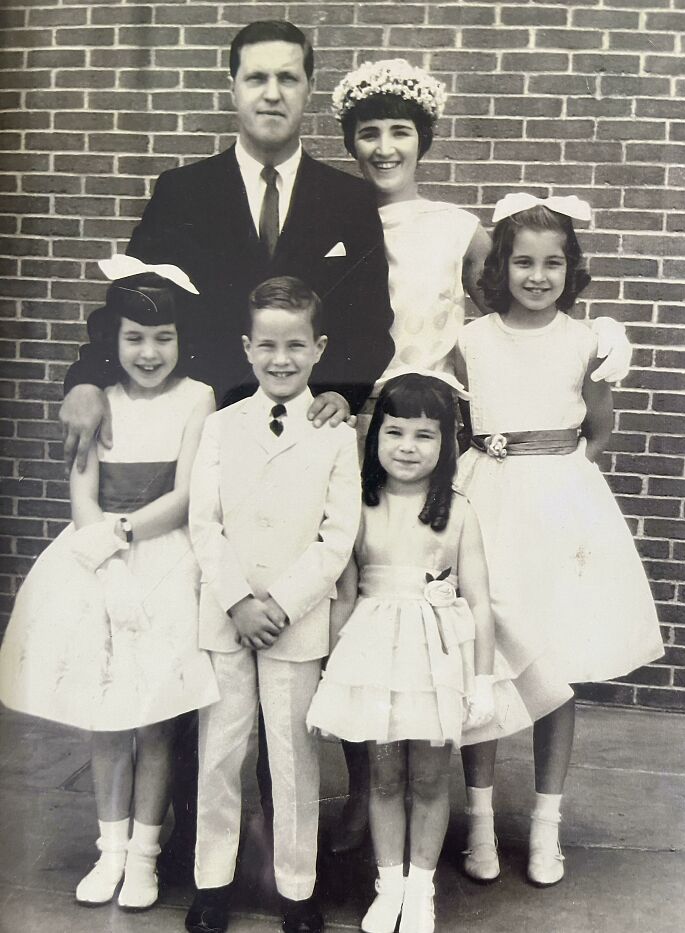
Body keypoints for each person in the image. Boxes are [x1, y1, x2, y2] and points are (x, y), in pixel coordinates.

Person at [59, 19, 393, 882]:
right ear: (233, 88)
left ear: (309, 89)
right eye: (256, 78)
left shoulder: (347, 200)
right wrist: (90, 375)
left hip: (303, 442)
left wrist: (344, 391)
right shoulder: (184, 190)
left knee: (298, 650)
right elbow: (131, 300)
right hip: (204, 437)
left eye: (288, 78)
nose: (272, 93)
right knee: (194, 634)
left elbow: (371, 322)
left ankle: (302, 836)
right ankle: (171, 833)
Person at [327, 56, 635, 854]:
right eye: (370, 133)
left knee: (448, 618)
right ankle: (366, 791)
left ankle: (457, 801)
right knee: (368, 608)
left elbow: (517, 300)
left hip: (436, 431)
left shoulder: (457, 227)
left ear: (423, 140)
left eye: (401, 131)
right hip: (357, 425)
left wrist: (600, 333)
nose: (386, 147)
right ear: (351, 142)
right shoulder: (331, 216)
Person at [306, 372, 570, 933]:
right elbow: (345, 595)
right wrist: (331, 668)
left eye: (424, 435)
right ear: (375, 437)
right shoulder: (358, 506)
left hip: (436, 662)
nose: (407, 447)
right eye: (395, 433)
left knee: (428, 779)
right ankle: (389, 887)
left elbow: (479, 602)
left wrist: (481, 681)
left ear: (447, 443)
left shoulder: (459, 510)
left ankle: (420, 890)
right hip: (375, 658)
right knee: (383, 778)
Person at [455, 194, 664, 888]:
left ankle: (546, 825)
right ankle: (479, 823)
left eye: (552, 263)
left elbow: (598, 430)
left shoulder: (586, 342)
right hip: (489, 502)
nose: (537, 276)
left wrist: (561, 481)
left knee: (557, 664)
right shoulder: (473, 340)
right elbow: (463, 420)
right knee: (483, 663)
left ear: (571, 269)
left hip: (560, 509)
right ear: (501, 268)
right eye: (523, 262)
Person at [0, 260, 220, 911]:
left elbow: (186, 496)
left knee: (154, 719)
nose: (148, 353)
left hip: (168, 562)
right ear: (112, 339)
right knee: (107, 717)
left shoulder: (198, 397)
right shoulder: (99, 399)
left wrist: (126, 537)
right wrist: (108, 562)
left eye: (162, 338)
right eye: (134, 338)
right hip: (98, 562)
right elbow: (83, 495)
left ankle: (146, 855)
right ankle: (111, 850)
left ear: (182, 338)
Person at [186, 276, 361, 933]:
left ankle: (296, 887)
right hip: (227, 617)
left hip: (295, 620)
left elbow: (337, 536)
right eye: (267, 345)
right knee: (220, 754)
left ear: (319, 348)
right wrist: (238, 600)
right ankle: (212, 883)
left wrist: (282, 603)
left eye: (294, 345)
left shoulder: (336, 434)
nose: (280, 359)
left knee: (293, 758)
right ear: (246, 348)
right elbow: (204, 523)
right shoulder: (221, 425)